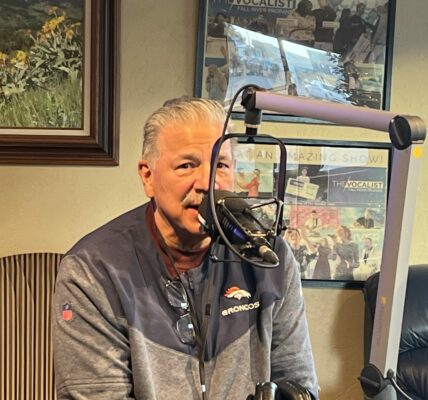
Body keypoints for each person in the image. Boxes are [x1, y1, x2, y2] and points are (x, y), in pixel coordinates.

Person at [52, 97, 319, 399]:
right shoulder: (93, 270)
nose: (206, 183)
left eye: (220, 165)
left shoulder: (269, 257)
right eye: (187, 165)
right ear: (148, 176)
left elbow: (298, 383)